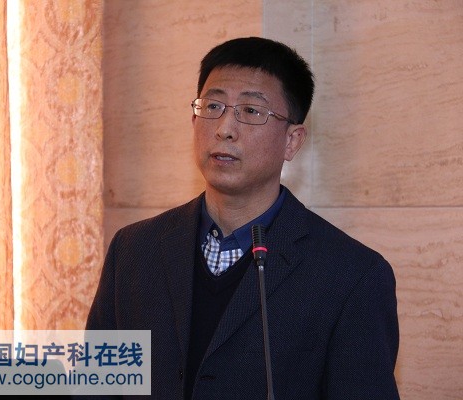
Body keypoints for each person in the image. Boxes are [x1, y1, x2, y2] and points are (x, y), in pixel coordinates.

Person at [85, 37, 400, 399]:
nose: (224, 128)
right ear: (194, 120)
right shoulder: (134, 250)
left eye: (251, 111)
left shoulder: (351, 276)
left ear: (292, 141)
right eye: (213, 106)